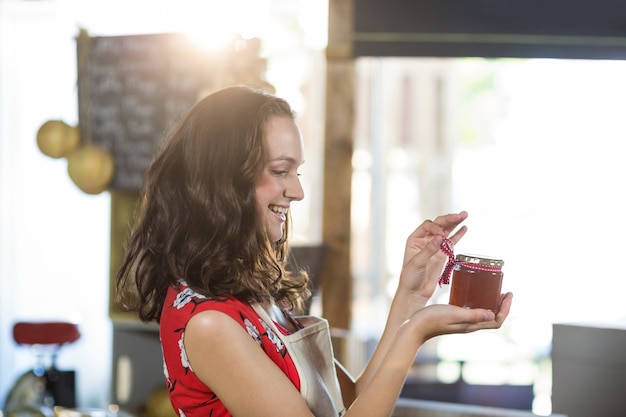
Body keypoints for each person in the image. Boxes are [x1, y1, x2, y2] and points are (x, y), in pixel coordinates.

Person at [115, 85, 513, 417]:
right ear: (223, 180)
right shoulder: (210, 324)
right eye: (280, 171)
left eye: (297, 171)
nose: (298, 191)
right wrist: (416, 334)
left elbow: (351, 403)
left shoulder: (251, 299)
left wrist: (411, 296)